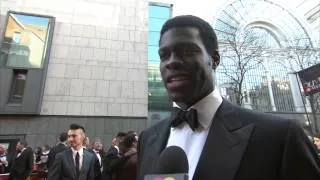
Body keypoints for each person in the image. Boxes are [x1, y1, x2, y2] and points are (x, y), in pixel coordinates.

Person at [137, 15, 320, 180]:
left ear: (215, 59)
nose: (171, 62)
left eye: (186, 51)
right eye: (164, 55)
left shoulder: (280, 137)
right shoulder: (147, 139)